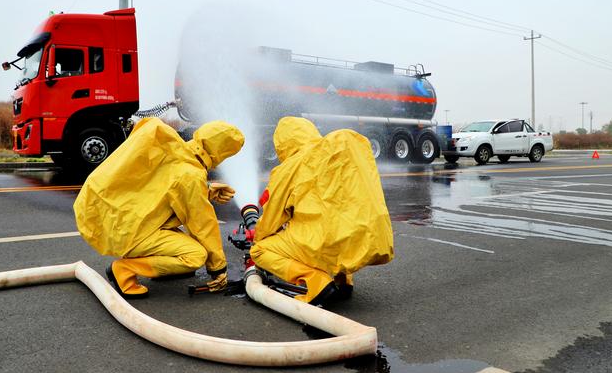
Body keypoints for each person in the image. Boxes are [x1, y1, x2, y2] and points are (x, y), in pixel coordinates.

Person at [73, 117, 244, 298]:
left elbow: (162, 188)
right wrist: (218, 268)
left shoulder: (174, 149)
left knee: (184, 244)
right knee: (195, 255)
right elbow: (202, 225)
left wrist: (206, 191)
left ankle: (165, 267)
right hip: (132, 233)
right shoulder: (190, 174)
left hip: (121, 222)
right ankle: (124, 270)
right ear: (220, 152)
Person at [250, 117, 393, 305]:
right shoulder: (336, 151)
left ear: (282, 143)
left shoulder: (289, 167)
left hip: (327, 241)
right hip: (369, 236)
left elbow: (271, 218)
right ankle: (343, 282)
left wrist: (257, 235)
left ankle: (318, 285)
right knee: (337, 218)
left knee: (260, 250)